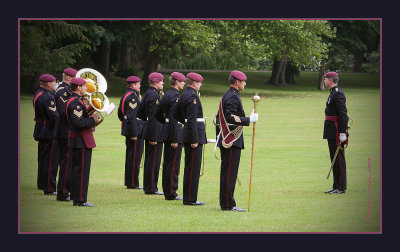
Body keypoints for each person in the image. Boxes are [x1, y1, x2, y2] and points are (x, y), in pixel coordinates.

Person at [216, 70, 258, 212]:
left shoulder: (229, 95)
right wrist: (248, 120)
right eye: (243, 81)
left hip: (229, 138)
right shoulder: (232, 97)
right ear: (238, 82)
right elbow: (229, 117)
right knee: (229, 173)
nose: (245, 83)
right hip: (231, 139)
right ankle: (228, 204)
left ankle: (226, 202)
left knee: (227, 172)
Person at [66, 77, 101, 206]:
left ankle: (77, 197)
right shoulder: (75, 102)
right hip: (80, 140)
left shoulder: (76, 101)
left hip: (78, 140)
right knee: (81, 172)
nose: (87, 88)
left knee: (77, 170)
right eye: (85, 86)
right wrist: (93, 119)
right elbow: (78, 123)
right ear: (79, 88)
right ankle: (80, 200)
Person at [174, 72, 206, 206]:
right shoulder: (192, 96)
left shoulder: (183, 95)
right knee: (193, 168)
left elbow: (177, 114)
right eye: (199, 83)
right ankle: (190, 199)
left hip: (188, 133)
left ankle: (189, 197)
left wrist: (186, 124)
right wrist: (194, 138)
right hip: (193, 135)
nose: (200, 85)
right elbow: (192, 119)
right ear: (194, 83)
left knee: (190, 167)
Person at [154, 72, 186, 201]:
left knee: (168, 163)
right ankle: (171, 192)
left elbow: (157, 114)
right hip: (174, 132)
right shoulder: (175, 96)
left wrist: (165, 123)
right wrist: (174, 138)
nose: (184, 83)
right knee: (173, 164)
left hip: (167, 131)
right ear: (177, 82)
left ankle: (168, 190)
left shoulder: (166, 94)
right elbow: (173, 117)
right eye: (183, 81)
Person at [137, 72, 164, 195]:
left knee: (149, 160)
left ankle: (149, 186)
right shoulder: (154, 96)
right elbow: (153, 117)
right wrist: (153, 136)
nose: (162, 83)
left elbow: (141, 113)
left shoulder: (148, 94)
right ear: (155, 82)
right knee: (154, 161)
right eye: (161, 81)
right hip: (154, 132)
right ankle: (151, 188)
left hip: (148, 129)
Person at [33, 74, 60, 195]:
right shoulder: (48, 97)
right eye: (54, 82)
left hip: (41, 129)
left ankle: (42, 183)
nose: (55, 84)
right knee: (51, 160)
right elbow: (54, 117)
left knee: (43, 158)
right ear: (48, 84)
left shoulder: (38, 93)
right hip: (49, 130)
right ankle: (49, 188)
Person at [323, 72, 349, 194]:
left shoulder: (338, 93)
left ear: (330, 80)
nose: (324, 81)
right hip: (331, 128)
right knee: (334, 158)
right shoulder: (333, 93)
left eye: (325, 79)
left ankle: (340, 187)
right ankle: (335, 186)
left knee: (338, 159)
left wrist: (343, 133)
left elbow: (343, 115)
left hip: (337, 130)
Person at [54, 68, 77, 201]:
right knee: (66, 162)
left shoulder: (67, 90)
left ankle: (66, 190)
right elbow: (63, 111)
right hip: (64, 131)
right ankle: (62, 193)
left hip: (68, 130)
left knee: (69, 162)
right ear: (68, 78)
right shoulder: (62, 91)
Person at [118, 76, 145, 190]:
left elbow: (121, 113)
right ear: (133, 85)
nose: (139, 86)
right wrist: (133, 133)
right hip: (134, 131)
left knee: (130, 156)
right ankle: (133, 183)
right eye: (138, 84)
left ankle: (130, 181)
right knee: (134, 157)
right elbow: (132, 116)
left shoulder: (126, 95)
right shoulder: (133, 97)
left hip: (128, 128)